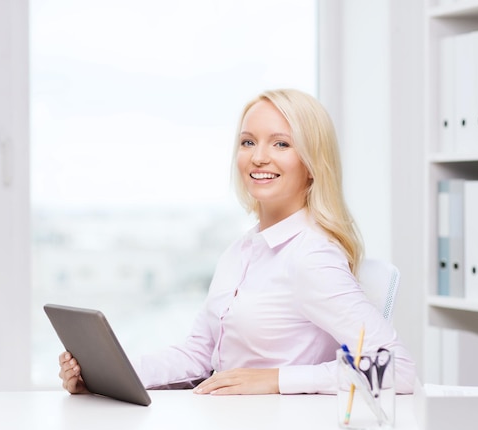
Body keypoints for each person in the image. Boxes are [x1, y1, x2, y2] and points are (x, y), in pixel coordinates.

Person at [59, 88, 416, 395]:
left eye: (281, 143)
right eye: (248, 142)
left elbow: (396, 369)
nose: (258, 156)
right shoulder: (240, 252)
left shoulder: (312, 255)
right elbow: (198, 356)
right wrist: (108, 375)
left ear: (311, 163)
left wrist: (276, 379)